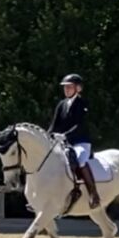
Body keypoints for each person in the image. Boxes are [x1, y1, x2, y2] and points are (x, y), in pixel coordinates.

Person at [48, 73, 100, 209]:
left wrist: (65, 135)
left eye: (70, 87)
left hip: (80, 142)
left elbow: (79, 124)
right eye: (65, 87)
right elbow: (54, 124)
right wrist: (48, 135)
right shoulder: (61, 104)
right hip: (63, 142)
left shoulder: (83, 104)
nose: (66, 90)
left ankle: (93, 194)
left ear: (78, 88)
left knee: (80, 160)